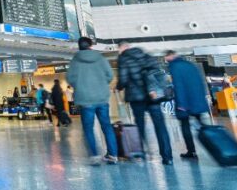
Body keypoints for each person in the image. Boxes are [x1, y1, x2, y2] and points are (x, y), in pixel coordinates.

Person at [117, 41, 173, 165]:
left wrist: (119, 86)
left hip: (136, 97)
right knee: (160, 126)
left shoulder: (124, 59)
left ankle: (141, 153)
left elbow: (123, 79)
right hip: (153, 96)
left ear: (122, 48)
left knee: (140, 125)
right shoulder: (147, 56)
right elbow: (158, 74)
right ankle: (167, 156)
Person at [68, 37, 118, 165]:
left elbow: (70, 78)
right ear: (91, 46)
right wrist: (101, 85)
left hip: (85, 100)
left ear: (79, 47)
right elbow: (110, 75)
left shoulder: (75, 60)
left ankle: (94, 156)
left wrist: (80, 86)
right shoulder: (101, 58)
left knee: (88, 128)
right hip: (102, 98)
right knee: (107, 126)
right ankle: (112, 155)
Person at [165, 50, 210, 160]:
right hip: (197, 100)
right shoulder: (190, 64)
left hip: (185, 102)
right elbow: (200, 82)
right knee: (202, 125)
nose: (166, 59)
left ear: (170, 56)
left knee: (185, 126)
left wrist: (181, 104)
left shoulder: (174, 67)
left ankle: (191, 151)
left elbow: (178, 85)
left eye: (166, 57)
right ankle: (214, 145)